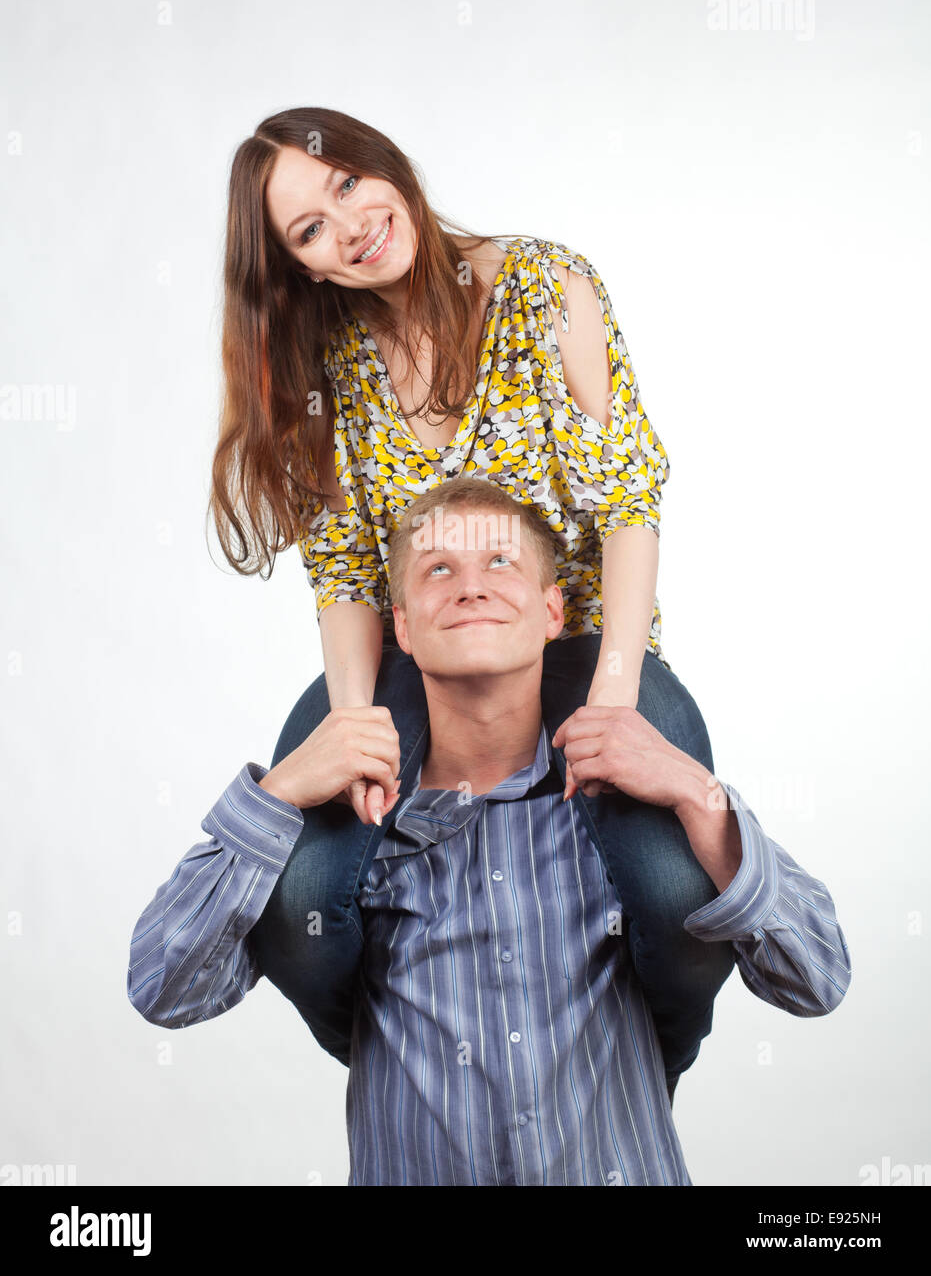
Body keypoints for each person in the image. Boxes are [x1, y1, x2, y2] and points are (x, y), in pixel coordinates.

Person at [209, 105, 730, 1093]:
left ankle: (636, 1075)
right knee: (300, 898)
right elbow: (344, 569)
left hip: (575, 647)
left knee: (675, 894)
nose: (349, 224)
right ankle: (401, 1063)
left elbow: (626, 502)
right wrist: (358, 718)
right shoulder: (326, 364)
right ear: (300, 268)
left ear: (386, 168)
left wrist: (615, 694)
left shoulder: (544, 285)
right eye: (309, 230)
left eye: (348, 186)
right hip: (417, 660)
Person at [128, 481, 851, 1187]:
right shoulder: (350, 841)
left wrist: (700, 796)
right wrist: (277, 793)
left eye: (498, 562)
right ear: (401, 630)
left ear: (550, 612)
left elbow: (817, 980)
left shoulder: (640, 823)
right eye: (438, 569)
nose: (469, 587)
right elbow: (164, 989)